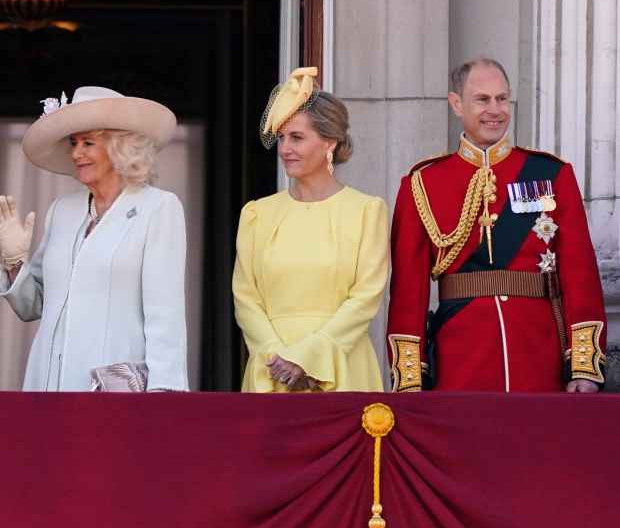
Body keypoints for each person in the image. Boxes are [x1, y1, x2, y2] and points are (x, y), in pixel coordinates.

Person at [387, 58, 607, 393]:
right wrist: (411, 378)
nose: (495, 109)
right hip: (461, 358)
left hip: (538, 353)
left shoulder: (551, 174)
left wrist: (583, 365)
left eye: (502, 99)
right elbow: (408, 293)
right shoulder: (424, 183)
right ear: (456, 104)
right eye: (483, 99)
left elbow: (580, 273)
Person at [0, 86, 189, 392]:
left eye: (87, 143)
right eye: (73, 143)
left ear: (119, 146)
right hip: (48, 384)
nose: (75, 153)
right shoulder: (63, 211)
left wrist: (163, 394)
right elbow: (34, 304)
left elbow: (166, 315)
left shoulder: (158, 208)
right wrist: (15, 262)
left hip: (114, 387)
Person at [233, 67, 388, 393]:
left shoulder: (365, 211)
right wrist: (278, 359)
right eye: (282, 138)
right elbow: (245, 299)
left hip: (340, 370)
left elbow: (365, 298)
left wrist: (308, 358)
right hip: (270, 373)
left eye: (297, 137)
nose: (285, 148)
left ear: (329, 142)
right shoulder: (256, 215)